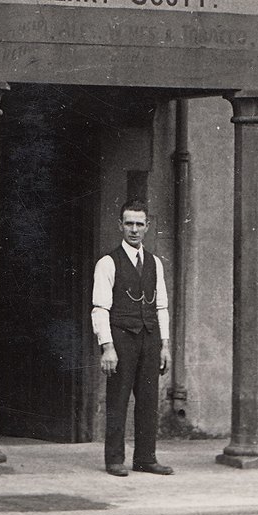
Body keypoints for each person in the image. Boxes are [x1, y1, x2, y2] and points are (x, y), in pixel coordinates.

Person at [90, 201, 173, 476]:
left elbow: (161, 306)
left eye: (139, 224)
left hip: (149, 339)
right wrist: (107, 347)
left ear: (147, 227)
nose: (134, 230)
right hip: (122, 338)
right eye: (129, 224)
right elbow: (100, 308)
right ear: (120, 226)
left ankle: (145, 458)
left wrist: (165, 346)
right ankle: (114, 459)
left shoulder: (155, 263)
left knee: (148, 400)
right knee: (118, 399)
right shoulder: (108, 263)